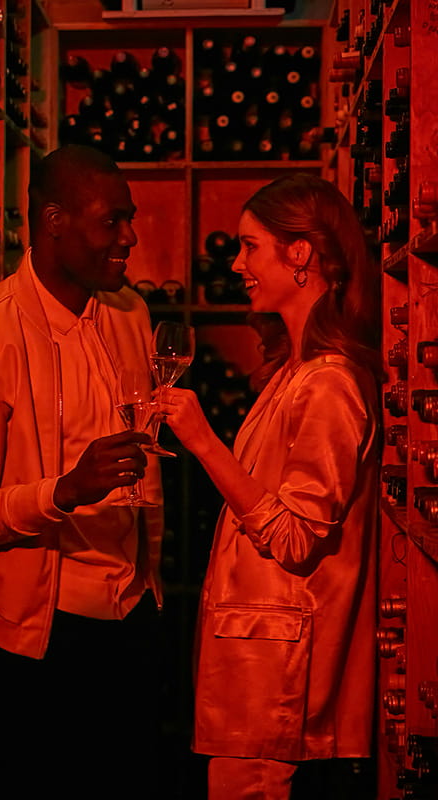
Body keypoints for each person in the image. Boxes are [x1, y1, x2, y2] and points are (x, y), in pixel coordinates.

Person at [0, 144, 164, 800]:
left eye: (131, 218)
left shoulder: (130, 316)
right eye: (111, 221)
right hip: (41, 638)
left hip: (134, 617)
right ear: (54, 220)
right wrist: (63, 490)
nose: (130, 236)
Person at [159, 173, 380, 799]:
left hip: (281, 685)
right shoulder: (296, 371)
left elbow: (295, 537)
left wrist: (202, 440)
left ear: (301, 253)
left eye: (251, 246)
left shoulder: (329, 384)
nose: (237, 263)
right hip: (259, 673)